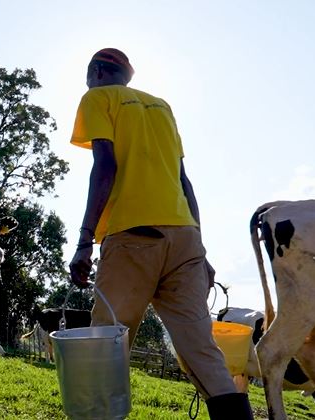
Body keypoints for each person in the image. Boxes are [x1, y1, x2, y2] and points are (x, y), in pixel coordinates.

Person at [68, 48, 253, 419]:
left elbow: (105, 164)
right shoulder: (162, 107)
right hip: (184, 239)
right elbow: (184, 182)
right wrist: (200, 250)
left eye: (89, 76)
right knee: (202, 352)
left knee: (107, 345)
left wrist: (86, 238)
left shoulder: (98, 97)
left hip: (135, 235)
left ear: (96, 72)